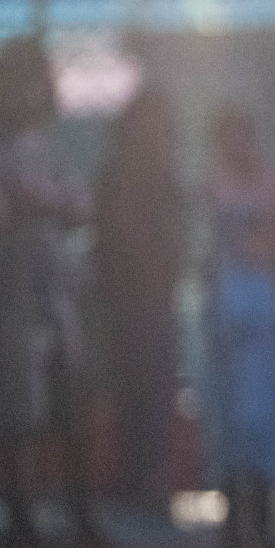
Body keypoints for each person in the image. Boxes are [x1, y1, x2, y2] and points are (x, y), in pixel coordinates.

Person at [0, 36, 96, 548]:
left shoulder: (46, 144)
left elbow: (81, 205)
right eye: (27, 81)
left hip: (53, 294)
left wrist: (41, 203)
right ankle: (20, 518)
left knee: (69, 400)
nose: (38, 92)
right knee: (17, 408)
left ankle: (78, 515)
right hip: (4, 295)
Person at [203, 105, 275, 548]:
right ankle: (231, 526)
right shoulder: (211, 186)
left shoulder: (273, 182)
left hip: (262, 306)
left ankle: (262, 522)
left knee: (265, 415)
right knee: (229, 415)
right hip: (227, 307)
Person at [93, 87, 187, 514]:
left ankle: (151, 486)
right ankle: (141, 489)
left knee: (157, 396)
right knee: (138, 398)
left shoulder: (166, 176)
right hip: (128, 306)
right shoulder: (119, 176)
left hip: (157, 303)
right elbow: (120, 235)